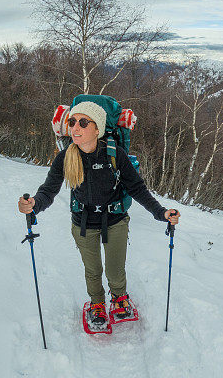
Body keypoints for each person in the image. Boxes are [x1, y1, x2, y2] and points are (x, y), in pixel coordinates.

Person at [18, 101, 180, 329]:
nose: (75, 127)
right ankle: (97, 304)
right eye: (72, 122)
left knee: (115, 269)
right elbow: (48, 190)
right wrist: (34, 205)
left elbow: (137, 189)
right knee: (93, 269)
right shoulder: (65, 157)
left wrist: (160, 212)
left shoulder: (115, 154)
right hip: (83, 222)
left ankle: (119, 297)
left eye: (83, 122)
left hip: (115, 221)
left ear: (98, 129)